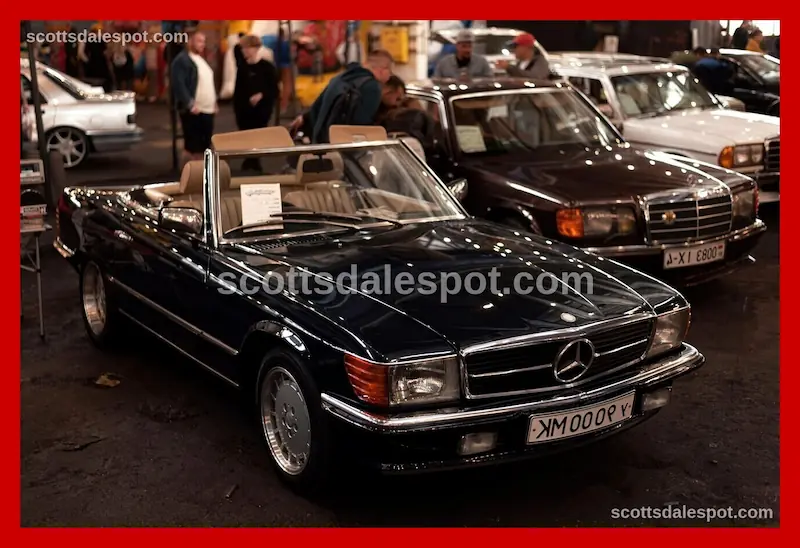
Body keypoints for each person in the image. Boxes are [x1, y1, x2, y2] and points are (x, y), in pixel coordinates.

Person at [290, 49, 394, 144]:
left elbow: (317, 107)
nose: (390, 76)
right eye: (390, 72)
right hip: (345, 147)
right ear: (382, 70)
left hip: (322, 143)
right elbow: (363, 126)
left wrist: (303, 118)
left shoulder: (340, 78)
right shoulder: (372, 87)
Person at [233, 35, 280, 171]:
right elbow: (238, 91)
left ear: (256, 48)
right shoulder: (242, 69)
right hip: (244, 111)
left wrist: (262, 95)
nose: (244, 51)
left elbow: (274, 90)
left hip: (262, 110)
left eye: (247, 48)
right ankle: (250, 159)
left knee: (258, 134)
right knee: (246, 135)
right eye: (243, 48)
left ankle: (254, 160)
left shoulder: (267, 67)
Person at [171, 31, 218, 164]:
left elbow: (207, 82)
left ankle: (202, 171)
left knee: (205, 145)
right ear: (189, 41)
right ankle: (191, 171)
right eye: (199, 41)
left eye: (203, 41)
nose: (202, 44)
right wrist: (189, 103)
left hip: (207, 109)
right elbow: (179, 84)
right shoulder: (182, 60)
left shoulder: (201, 59)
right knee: (194, 146)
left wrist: (214, 102)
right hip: (195, 109)